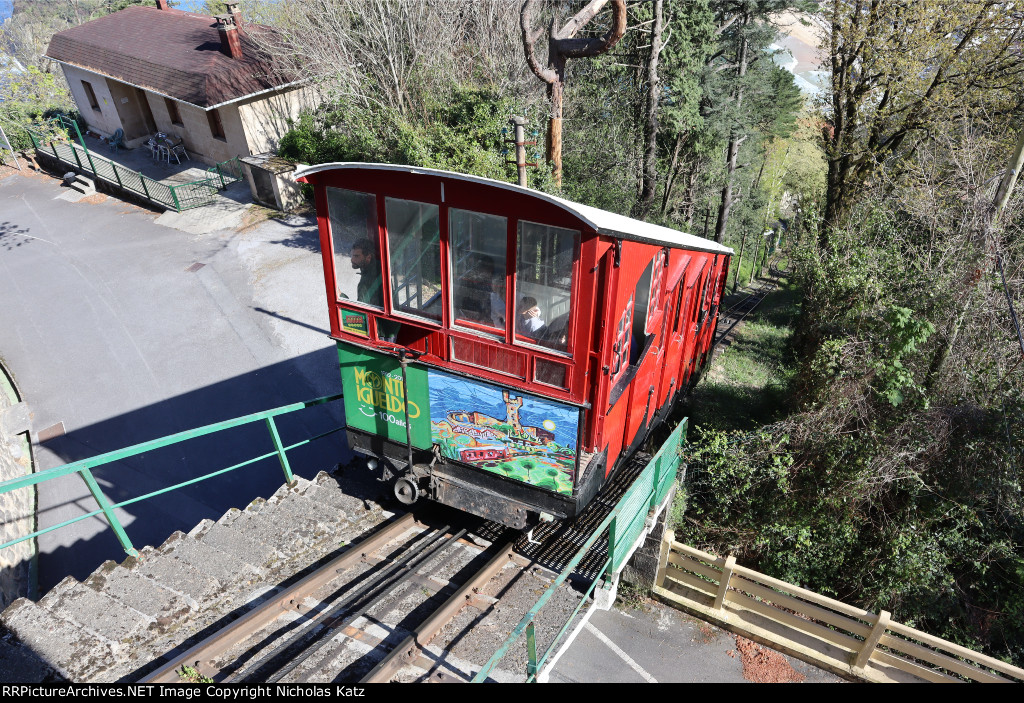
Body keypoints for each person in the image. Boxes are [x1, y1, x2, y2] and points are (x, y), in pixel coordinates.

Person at [351, 238, 383, 308]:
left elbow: (360, 310)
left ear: (368, 258)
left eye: (356, 256)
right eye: (352, 255)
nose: (352, 259)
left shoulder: (366, 282)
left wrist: (341, 296)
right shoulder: (378, 266)